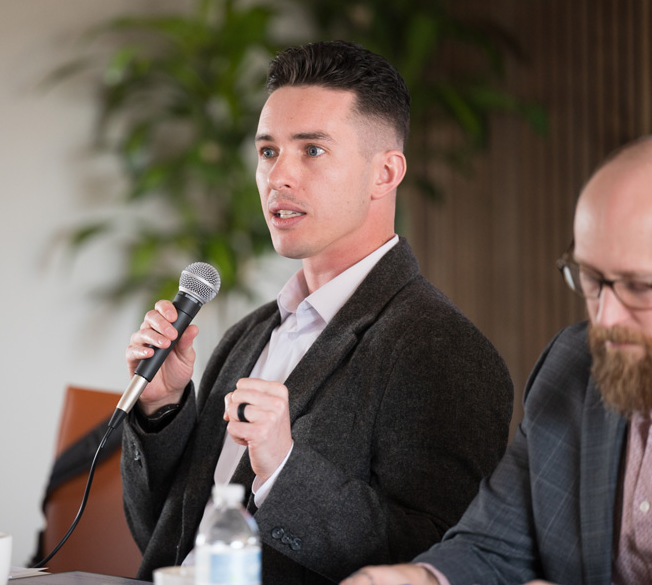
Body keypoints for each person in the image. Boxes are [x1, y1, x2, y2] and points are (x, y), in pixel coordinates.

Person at [121, 40, 514, 585]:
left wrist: (284, 468)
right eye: (267, 152)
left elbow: (435, 558)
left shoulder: (442, 350)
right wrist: (161, 411)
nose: (279, 176)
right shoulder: (248, 336)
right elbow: (165, 540)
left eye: (312, 150)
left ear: (385, 173)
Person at [341, 134, 652, 585]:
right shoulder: (574, 367)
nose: (605, 318)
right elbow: (493, 547)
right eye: (591, 279)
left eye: (637, 286)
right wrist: (411, 580)